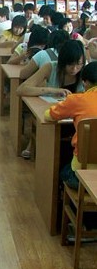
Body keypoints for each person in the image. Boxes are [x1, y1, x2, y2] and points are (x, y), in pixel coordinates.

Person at [44, 61, 97, 189]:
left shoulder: (78, 99)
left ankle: (67, 205)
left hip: (82, 172)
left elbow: (49, 115)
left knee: (63, 169)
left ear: (85, 82)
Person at [17, 40, 86, 98]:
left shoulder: (86, 71)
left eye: (79, 64)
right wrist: (52, 90)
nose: (74, 69)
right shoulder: (51, 67)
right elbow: (21, 89)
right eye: (70, 64)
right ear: (62, 61)